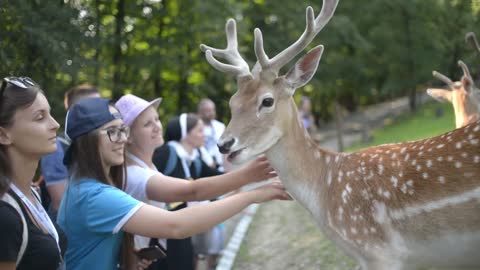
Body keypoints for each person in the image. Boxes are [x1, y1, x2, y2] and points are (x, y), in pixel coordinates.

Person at [57, 97, 291, 270]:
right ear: (87, 141)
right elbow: (176, 222)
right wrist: (254, 191)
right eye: (113, 132)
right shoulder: (95, 194)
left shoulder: (84, 187)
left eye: (122, 131)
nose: (122, 139)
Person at [115, 94, 277, 270]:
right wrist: (248, 176)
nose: (157, 126)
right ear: (127, 137)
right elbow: (193, 191)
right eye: (147, 124)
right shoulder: (134, 174)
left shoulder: (147, 165)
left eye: (157, 119)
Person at [0, 76, 67, 269]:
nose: (55, 124)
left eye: (50, 114)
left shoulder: (29, 192)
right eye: (40, 117)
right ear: (4, 135)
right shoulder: (5, 213)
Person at [39, 84, 100, 219]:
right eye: (94, 107)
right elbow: (60, 203)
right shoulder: (55, 148)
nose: (100, 111)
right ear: (74, 112)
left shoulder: (104, 141)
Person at [197, 98, 226, 172]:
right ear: (200, 112)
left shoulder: (220, 126)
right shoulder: (195, 127)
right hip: (203, 166)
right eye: (208, 110)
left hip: (221, 167)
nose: (212, 113)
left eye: (213, 110)